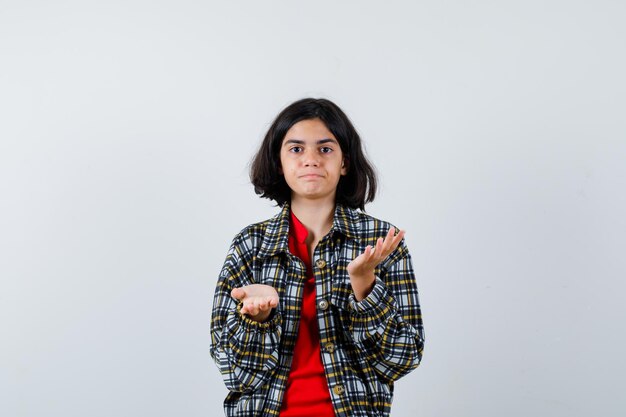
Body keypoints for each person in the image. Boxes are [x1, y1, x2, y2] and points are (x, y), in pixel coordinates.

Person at [209, 98, 425, 417]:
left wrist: (365, 289)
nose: (311, 160)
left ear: (344, 163)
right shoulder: (249, 245)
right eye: (296, 149)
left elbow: (401, 359)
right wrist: (258, 320)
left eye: (325, 149)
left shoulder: (380, 242)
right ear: (278, 162)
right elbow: (235, 374)